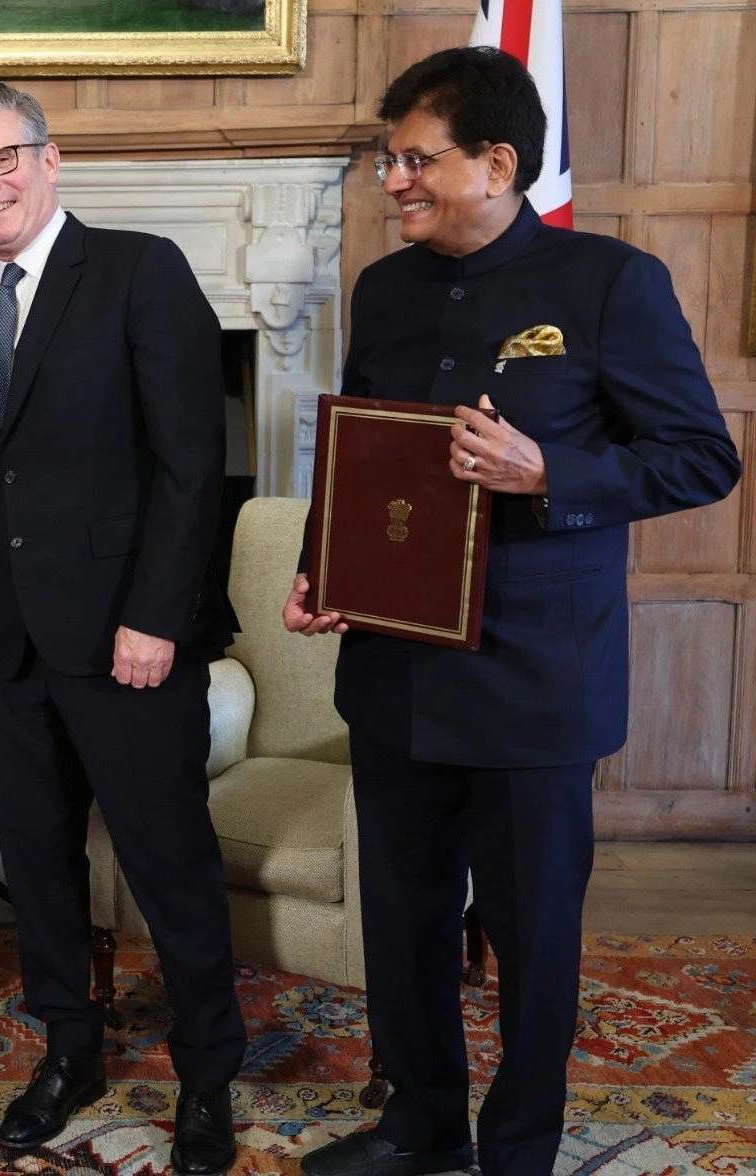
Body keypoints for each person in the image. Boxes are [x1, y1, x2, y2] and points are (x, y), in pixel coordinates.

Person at [284, 47, 741, 1176]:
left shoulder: (607, 281)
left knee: (534, 938)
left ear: (496, 164)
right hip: (394, 668)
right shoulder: (382, 288)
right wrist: (320, 569)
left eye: (413, 159)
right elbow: (364, 450)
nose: (391, 180)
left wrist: (551, 475)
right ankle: (419, 1125)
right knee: (402, 918)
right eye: (386, 159)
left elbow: (700, 460)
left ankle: (520, 1146)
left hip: (536, 675)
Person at [0, 83, 247, 1174]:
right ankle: (68, 1052)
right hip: (15, 648)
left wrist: (156, 617)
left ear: (49, 159)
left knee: (169, 864)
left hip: (131, 642)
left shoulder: (137, 269)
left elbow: (189, 463)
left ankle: (208, 1074)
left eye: (0, 159)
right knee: (39, 865)